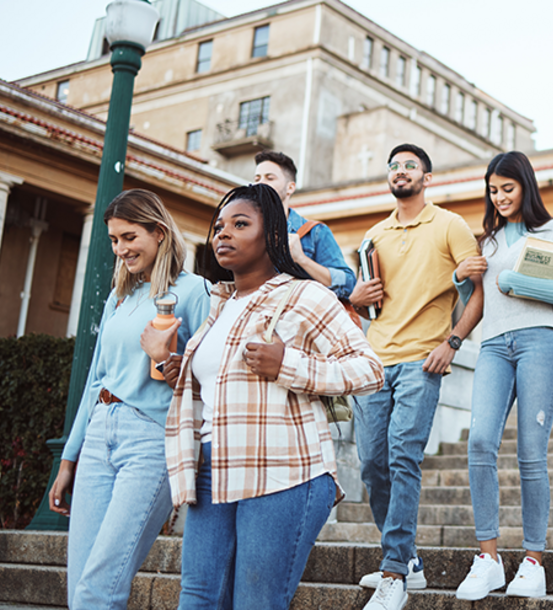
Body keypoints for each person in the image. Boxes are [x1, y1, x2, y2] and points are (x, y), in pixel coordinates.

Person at [162, 183, 384, 609]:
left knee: (255, 602)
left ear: (273, 236)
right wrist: (179, 373)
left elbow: (369, 369)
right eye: (219, 226)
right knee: (198, 598)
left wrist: (289, 365)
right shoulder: (218, 305)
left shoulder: (305, 294)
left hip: (283, 471)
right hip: (212, 469)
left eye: (240, 224)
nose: (222, 234)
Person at [46, 189, 208, 609]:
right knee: (80, 582)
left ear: (158, 232)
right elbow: (95, 377)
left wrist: (168, 359)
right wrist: (69, 459)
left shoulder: (194, 292)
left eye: (129, 237)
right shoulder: (121, 297)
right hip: (100, 433)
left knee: (100, 585)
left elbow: (208, 378)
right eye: (115, 240)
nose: (120, 249)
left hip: (150, 441)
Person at [349, 143, 484, 610]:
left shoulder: (449, 225)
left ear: (426, 178)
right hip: (375, 361)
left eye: (411, 166)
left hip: (422, 361)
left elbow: (476, 290)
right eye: (395, 166)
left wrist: (453, 342)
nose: (401, 171)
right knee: (371, 463)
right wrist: (357, 295)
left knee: (403, 457)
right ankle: (409, 560)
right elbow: (368, 303)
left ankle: (393, 574)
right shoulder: (374, 236)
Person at [451, 151, 553, 601]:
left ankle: (532, 561)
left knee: (530, 452)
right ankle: (487, 559)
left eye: (507, 188)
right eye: (492, 190)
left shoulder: (552, 231)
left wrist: (516, 283)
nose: (500, 197)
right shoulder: (485, 242)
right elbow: (478, 298)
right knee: (480, 441)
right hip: (493, 345)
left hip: (541, 342)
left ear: (525, 185)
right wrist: (462, 277)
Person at [254, 150, 355, 300]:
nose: (261, 183)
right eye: (257, 179)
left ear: (290, 188)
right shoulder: (246, 230)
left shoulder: (315, 232)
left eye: (270, 178)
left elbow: (348, 284)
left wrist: (302, 259)